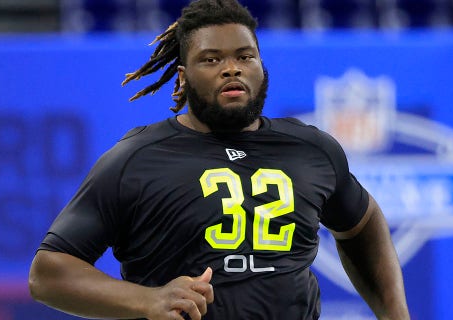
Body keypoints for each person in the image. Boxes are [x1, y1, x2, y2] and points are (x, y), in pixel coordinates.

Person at [28, 0, 410, 319]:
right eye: (211, 60)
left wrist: (396, 314)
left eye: (245, 56)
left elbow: (362, 223)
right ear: (181, 78)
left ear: (262, 68)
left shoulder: (311, 148)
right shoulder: (135, 158)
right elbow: (48, 273)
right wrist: (148, 300)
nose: (232, 68)